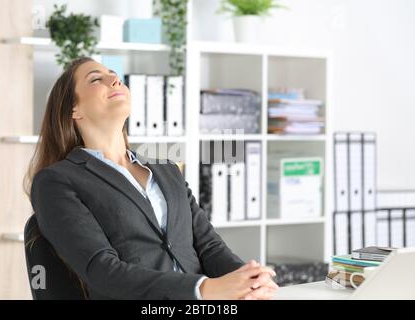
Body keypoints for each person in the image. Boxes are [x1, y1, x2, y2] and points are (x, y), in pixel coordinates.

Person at [26, 57, 278, 300]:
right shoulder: (56, 181)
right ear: (74, 109)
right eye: (95, 79)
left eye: (114, 76)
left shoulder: (167, 169)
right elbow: (103, 271)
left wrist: (249, 281)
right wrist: (204, 289)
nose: (114, 80)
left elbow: (209, 247)